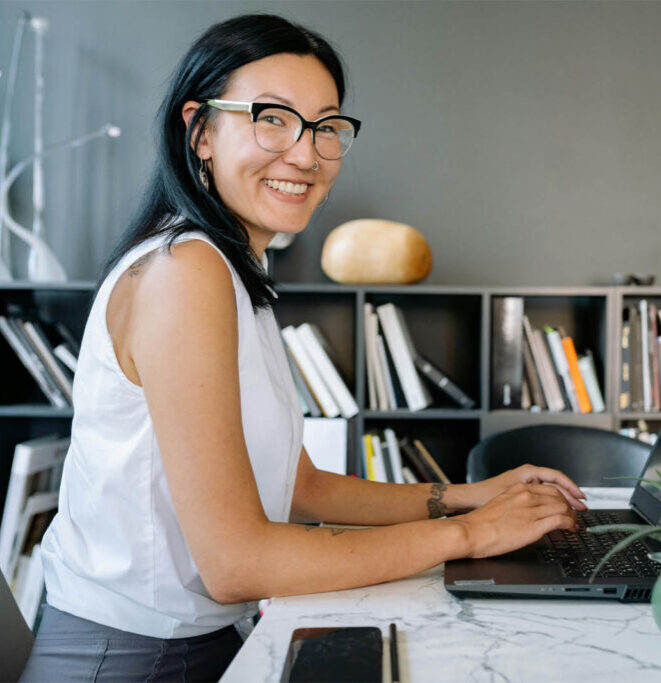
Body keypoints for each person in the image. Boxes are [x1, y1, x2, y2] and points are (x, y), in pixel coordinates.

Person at [20, 13, 584, 682]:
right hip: (134, 659)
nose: (306, 153)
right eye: (272, 118)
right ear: (200, 131)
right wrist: (472, 534)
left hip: (193, 641)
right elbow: (237, 563)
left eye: (325, 126)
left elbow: (300, 485)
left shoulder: (228, 269)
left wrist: (468, 495)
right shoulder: (185, 273)